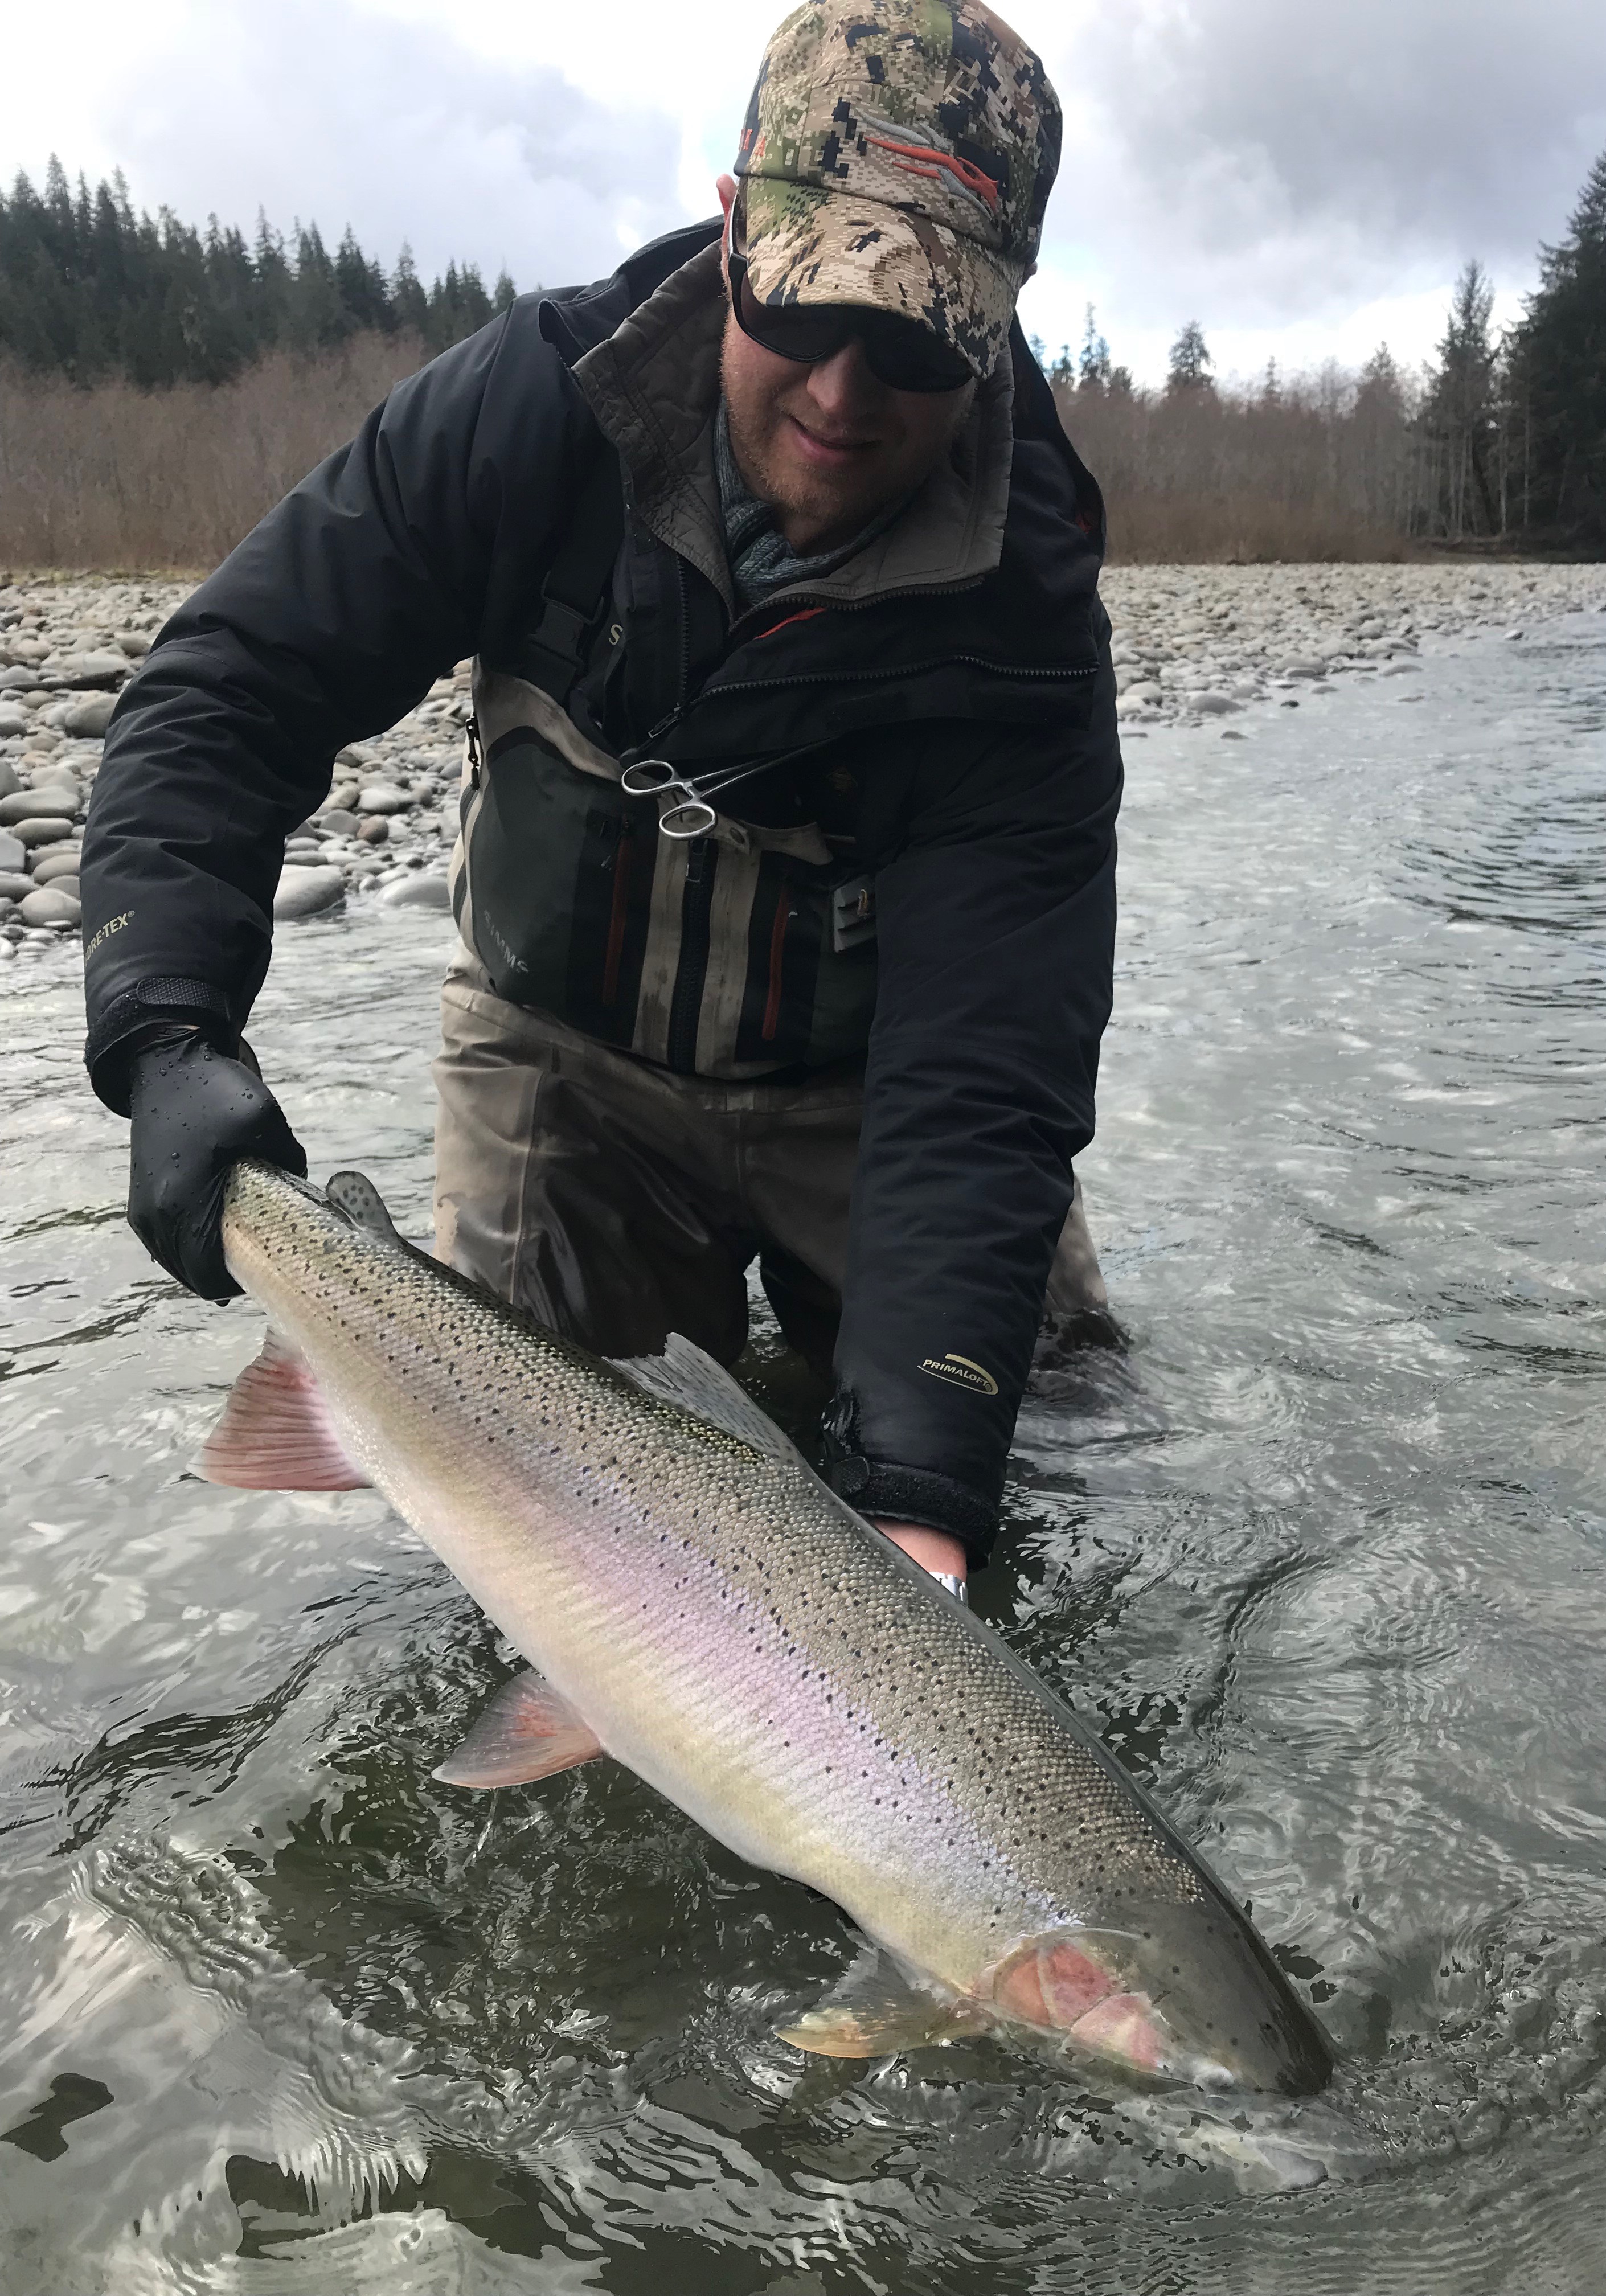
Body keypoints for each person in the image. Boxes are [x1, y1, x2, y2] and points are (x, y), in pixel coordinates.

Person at [81, 0, 1122, 1600]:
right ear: (734, 229)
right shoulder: (534, 407)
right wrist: (164, 1032)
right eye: (808, 305)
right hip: (568, 1070)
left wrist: (922, 1504)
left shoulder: (1026, 605)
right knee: (546, 1555)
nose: (843, 393)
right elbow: (231, 687)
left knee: (1039, 1466)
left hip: (870, 1098)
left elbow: (983, 1073)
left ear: (996, 331)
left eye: (917, 342)